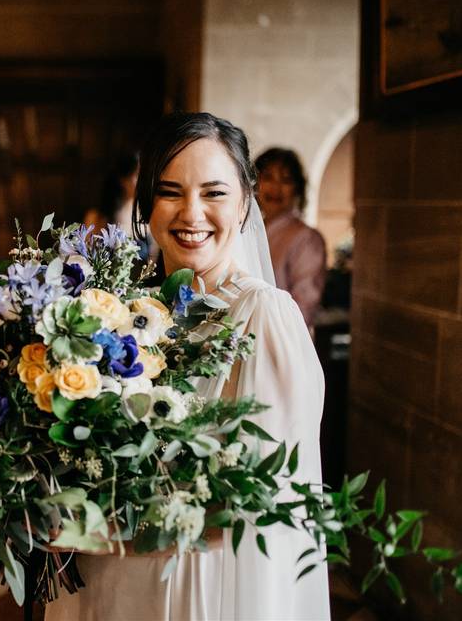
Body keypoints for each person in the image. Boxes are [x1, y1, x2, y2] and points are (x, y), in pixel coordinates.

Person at [44, 113, 330, 620]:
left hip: (193, 591)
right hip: (99, 587)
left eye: (214, 193)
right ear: (146, 203)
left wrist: (97, 533)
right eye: (170, 191)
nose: (190, 213)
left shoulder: (266, 318)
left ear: (245, 202)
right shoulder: (116, 310)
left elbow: (261, 504)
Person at [255, 148, 326, 328]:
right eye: (268, 177)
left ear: (297, 188)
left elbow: (304, 307)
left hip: (281, 336)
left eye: (285, 180)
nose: (275, 188)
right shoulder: (248, 230)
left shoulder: (306, 239)